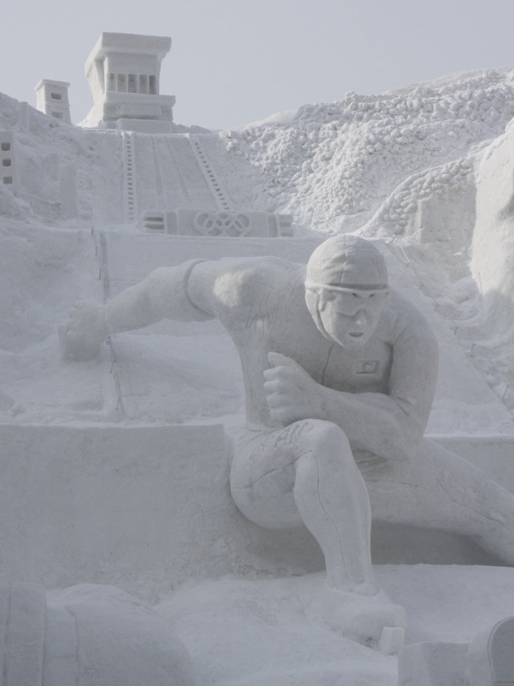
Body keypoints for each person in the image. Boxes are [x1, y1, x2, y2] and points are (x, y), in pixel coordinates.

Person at [65, 235, 514, 652]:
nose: (363, 322)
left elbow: (404, 437)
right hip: (270, 464)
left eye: (372, 306)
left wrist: (320, 400)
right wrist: (100, 320)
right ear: (315, 294)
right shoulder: (254, 291)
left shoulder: (407, 331)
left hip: (377, 465)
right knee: (322, 438)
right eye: (348, 307)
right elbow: (169, 289)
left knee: (495, 507)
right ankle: (351, 593)